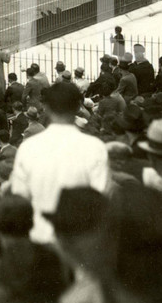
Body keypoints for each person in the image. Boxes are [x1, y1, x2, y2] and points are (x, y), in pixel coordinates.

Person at [11, 83, 110, 244]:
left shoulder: (28, 147)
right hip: (81, 241)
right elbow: (102, 198)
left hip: (40, 238)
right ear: (78, 107)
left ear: (47, 108)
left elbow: (20, 199)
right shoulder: (95, 147)